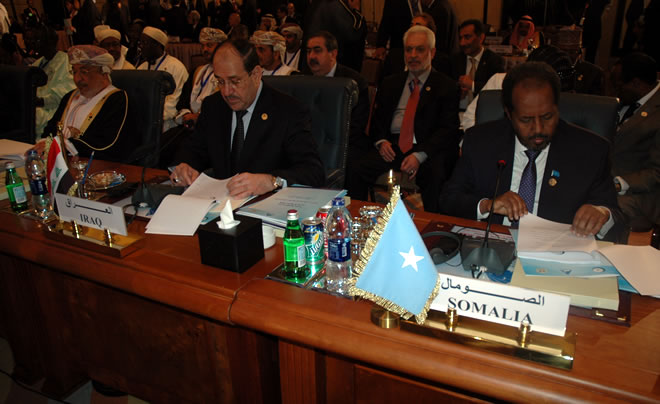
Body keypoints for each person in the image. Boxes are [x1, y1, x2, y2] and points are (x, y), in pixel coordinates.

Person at [440, 62, 626, 242]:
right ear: (509, 114)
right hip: (493, 244)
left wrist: (603, 214)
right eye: (526, 120)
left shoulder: (591, 150)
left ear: (557, 108)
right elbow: (449, 200)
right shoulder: (480, 141)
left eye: (547, 117)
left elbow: (618, 222)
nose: (538, 129)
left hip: (556, 251)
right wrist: (487, 205)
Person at [170, 39, 324, 198]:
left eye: (234, 81)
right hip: (220, 204)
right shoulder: (213, 106)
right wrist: (184, 166)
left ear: (256, 74)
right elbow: (193, 150)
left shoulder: (288, 111)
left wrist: (272, 181)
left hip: (266, 205)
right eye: (220, 81)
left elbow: (313, 171)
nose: (226, 92)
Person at [346, 25, 460, 213]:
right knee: (355, 168)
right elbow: (377, 122)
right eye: (409, 49)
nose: (413, 55)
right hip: (392, 147)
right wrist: (381, 142)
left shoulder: (447, 86)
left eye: (420, 50)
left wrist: (419, 155)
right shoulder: (390, 83)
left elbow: (448, 129)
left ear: (432, 52)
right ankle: (357, 217)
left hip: (426, 149)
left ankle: (432, 225)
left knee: (436, 174)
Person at [38, 45, 133, 162]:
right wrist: (45, 144)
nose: (77, 79)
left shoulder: (117, 99)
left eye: (84, 72)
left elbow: (109, 145)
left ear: (104, 72)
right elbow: (50, 129)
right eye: (74, 72)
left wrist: (66, 146)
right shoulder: (70, 96)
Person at [160, 27, 227, 167]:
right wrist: (186, 115)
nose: (205, 49)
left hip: (212, 130)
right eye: (203, 46)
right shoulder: (199, 70)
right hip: (190, 126)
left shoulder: (227, 74)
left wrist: (199, 118)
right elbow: (183, 100)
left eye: (209, 45)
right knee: (162, 144)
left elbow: (224, 105)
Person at [610, 52, 660, 227]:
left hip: (640, 193)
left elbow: (657, 172)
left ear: (636, 83)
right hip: (604, 181)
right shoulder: (624, 102)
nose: (615, 89)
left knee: (599, 211)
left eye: (619, 84)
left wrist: (619, 184)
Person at [306, 30, 369, 149]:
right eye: (308, 51)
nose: (311, 56)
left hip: (341, 145)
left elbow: (356, 126)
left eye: (317, 50)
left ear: (333, 54)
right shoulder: (302, 79)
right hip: (308, 143)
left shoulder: (354, 82)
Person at [26, 25, 76, 137]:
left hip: (54, 111)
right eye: (33, 40)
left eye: (38, 40)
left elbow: (68, 93)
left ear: (51, 42)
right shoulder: (38, 63)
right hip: (36, 108)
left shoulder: (66, 61)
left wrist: (41, 101)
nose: (34, 44)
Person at [137, 26, 189, 131]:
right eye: (140, 43)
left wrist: (151, 117)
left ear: (157, 45)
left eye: (145, 43)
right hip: (142, 122)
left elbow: (173, 102)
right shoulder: (141, 67)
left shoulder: (176, 67)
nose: (140, 47)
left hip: (167, 124)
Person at [450, 19, 505, 111]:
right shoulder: (454, 60)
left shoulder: (494, 61)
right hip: (457, 112)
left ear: (481, 38)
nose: (462, 43)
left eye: (467, 37)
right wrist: (458, 92)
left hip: (484, 112)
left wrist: (473, 85)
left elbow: (498, 90)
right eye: (460, 38)